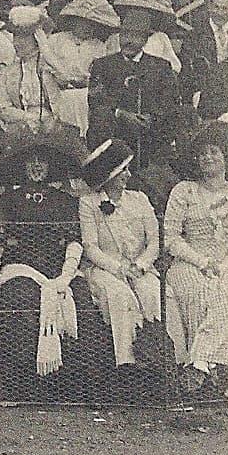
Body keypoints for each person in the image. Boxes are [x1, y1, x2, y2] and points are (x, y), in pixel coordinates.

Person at [0, 128, 103, 400]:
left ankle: (76, 385)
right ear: (23, 166)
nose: (36, 166)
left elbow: (74, 242)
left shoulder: (66, 201)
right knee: (24, 301)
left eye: (42, 161)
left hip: (60, 270)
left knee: (81, 300)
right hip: (21, 268)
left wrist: (66, 277)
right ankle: (24, 386)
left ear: (51, 166)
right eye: (31, 161)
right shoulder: (8, 200)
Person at [89, 0, 183, 205]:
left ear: (146, 38)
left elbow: (169, 101)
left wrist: (152, 117)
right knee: (101, 123)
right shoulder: (102, 66)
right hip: (114, 130)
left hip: (150, 133)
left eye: (135, 36)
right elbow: (96, 100)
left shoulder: (160, 66)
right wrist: (121, 114)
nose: (129, 41)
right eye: (125, 34)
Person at [163, 119, 228, 401]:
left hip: (227, 263)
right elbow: (170, 238)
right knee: (208, 293)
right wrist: (202, 261)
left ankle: (201, 361)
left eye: (214, 151)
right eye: (202, 153)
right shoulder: (185, 190)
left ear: (226, 156)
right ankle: (214, 373)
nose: (207, 157)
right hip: (188, 262)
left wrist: (223, 266)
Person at [77, 139, 162, 377]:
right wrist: (118, 269)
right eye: (122, 170)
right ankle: (127, 366)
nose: (128, 174)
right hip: (105, 270)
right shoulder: (89, 203)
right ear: (109, 175)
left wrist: (141, 265)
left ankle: (160, 363)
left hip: (139, 267)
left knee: (153, 293)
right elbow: (90, 247)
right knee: (119, 296)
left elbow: (154, 240)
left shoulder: (140, 199)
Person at [42, 0, 119, 136]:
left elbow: (100, 75)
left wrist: (86, 81)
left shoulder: (98, 46)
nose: (88, 28)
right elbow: (45, 67)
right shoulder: (56, 40)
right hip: (57, 92)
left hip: (85, 93)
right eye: (84, 23)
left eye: (92, 25)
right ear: (74, 21)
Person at [0, 5, 64, 139]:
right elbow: (2, 107)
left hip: (54, 125)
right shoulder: (8, 72)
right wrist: (26, 117)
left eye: (23, 37)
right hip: (21, 127)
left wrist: (46, 52)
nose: (17, 43)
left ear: (36, 38)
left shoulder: (49, 67)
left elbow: (67, 79)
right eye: (15, 37)